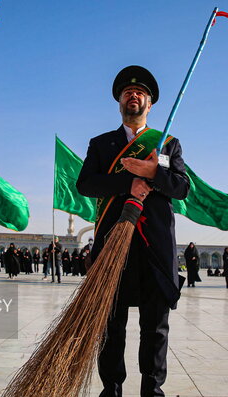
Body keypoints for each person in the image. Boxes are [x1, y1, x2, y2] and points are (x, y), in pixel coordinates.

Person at [77, 65, 189, 396]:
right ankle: (111, 389)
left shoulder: (167, 143)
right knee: (111, 325)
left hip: (155, 247)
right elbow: (86, 184)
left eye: (140, 92)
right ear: (119, 102)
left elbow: (181, 188)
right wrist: (131, 181)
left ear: (150, 104)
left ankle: (152, 391)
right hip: (114, 244)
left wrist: (155, 172)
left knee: (155, 327)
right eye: (127, 92)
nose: (134, 95)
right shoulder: (101, 144)